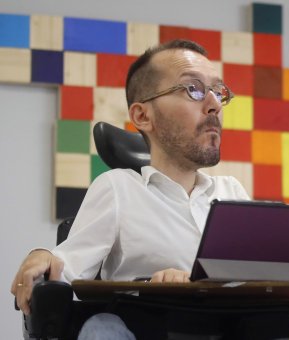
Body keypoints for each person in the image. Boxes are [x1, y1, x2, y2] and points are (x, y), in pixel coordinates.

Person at [10, 39, 250, 338]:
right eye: (193, 89)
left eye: (218, 91)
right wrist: (41, 254)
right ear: (142, 116)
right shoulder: (119, 188)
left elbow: (263, 278)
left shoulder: (232, 193)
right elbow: (66, 268)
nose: (214, 104)